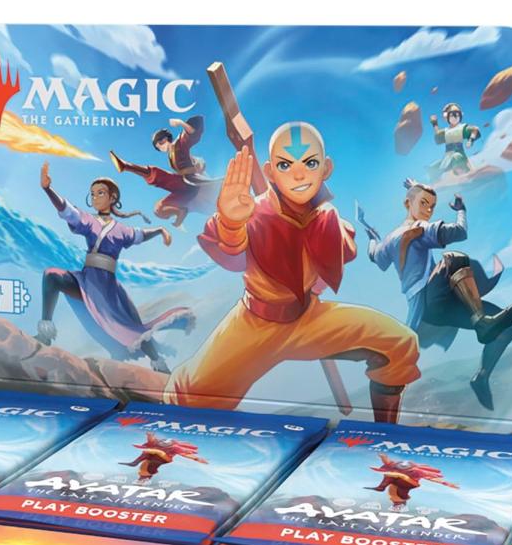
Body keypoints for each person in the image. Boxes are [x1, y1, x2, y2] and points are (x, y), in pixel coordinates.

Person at [163, 123, 421, 422]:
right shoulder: (253, 211)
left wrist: (318, 272)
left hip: (309, 317)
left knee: (400, 343)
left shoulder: (328, 215)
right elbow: (231, 256)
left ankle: (384, 435)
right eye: (285, 165)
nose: (298, 175)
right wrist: (231, 222)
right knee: (189, 395)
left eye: (309, 163)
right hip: (256, 323)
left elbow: (342, 251)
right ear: (270, 172)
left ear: (325, 168)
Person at [366, 179, 512, 410]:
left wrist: (372, 239)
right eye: (423, 203)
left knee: (507, 327)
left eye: (432, 206)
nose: (428, 210)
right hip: (430, 300)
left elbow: (375, 256)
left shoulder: (388, 241)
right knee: (453, 259)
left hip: (437, 307)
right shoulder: (419, 229)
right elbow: (460, 232)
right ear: (407, 203)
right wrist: (461, 210)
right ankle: (481, 322)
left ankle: (481, 377)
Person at [35, 162, 195, 373]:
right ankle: (45, 333)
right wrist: (48, 189)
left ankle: (158, 362)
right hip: (86, 280)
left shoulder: (122, 230)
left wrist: (159, 230)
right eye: (93, 194)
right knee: (52, 276)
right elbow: (68, 211)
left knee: (130, 327)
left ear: (112, 198)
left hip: (108, 288)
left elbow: (140, 235)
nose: (95, 198)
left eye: (100, 193)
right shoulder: (88, 221)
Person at [109, 116, 220, 226]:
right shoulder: (171, 154)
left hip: (191, 183)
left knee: (158, 175)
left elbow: (191, 134)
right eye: (158, 148)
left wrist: (180, 123)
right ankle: (180, 212)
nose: (160, 149)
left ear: (165, 139)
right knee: (159, 209)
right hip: (185, 188)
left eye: (160, 145)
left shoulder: (178, 144)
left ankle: (125, 166)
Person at [366, 453, 459, 511]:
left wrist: (446, 483)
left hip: (410, 482)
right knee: (393, 490)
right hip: (399, 482)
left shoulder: (416, 471)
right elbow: (388, 462)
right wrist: (383, 456)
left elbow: (430, 478)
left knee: (394, 475)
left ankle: (382, 488)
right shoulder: (395, 466)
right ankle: (396, 503)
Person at [120, 431, 207, 484]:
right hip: (154, 456)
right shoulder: (157, 442)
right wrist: (149, 435)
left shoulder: (174, 447)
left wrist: (197, 459)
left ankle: (140, 470)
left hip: (165, 458)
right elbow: (151, 440)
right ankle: (138, 468)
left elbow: (184, 454)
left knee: (155, 453)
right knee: (146, 459)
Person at [428, 103, 481, 178]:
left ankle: (463, 175)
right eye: (452, 115)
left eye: (457, 114)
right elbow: (438, 136)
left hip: (459, 155)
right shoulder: (446, 131)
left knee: (456, 158)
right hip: (447, 157)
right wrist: (435, 124)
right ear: (446, 117)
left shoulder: (462, 128)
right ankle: (435, 182)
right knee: (434, 167)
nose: (455, 117)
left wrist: (471, 140)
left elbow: (475, 129)